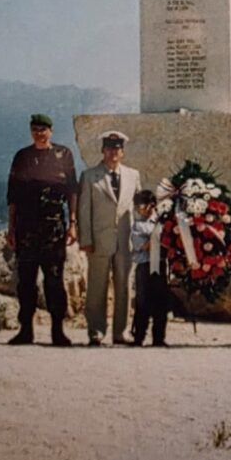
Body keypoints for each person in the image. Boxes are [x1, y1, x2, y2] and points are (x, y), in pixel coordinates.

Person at [5, 113, 78, 347]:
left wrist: (73, 223)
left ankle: (58, 331)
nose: (39, 134)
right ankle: (25, 330)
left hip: (54, 228)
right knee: (26, 281)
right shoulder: (22, 157)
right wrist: (11, 228)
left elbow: (72, 192)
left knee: (54, 280)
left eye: (43, 130)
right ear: (31, 131)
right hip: (26, 228)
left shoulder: (63, 155)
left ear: (51, 131)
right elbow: (13, 196)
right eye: (35, 130)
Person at [77, 130, 141, 346]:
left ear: (122, 152)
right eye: (109, 148)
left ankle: (121, 332)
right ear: (102, 150)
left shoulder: (133, 175)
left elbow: (139, 209)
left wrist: (141, 237)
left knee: (124, 287)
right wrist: (85, 239)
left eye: (117, 149)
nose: (113, 152)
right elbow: (84, 210)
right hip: (99, 241)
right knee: (97, 287)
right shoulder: (89, 176)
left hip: (125, 241)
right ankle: (96, 330)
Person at [129, 189, 169, 347]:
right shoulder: (138, 225)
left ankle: (159, 338)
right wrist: (159, 236)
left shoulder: (163, 222)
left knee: (161, 302)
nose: (137, 208)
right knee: (142, 302)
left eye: (140, 205)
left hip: (159, 265)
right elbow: (144, 246)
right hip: (144, 266)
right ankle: (138, 336)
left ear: (151, 205)